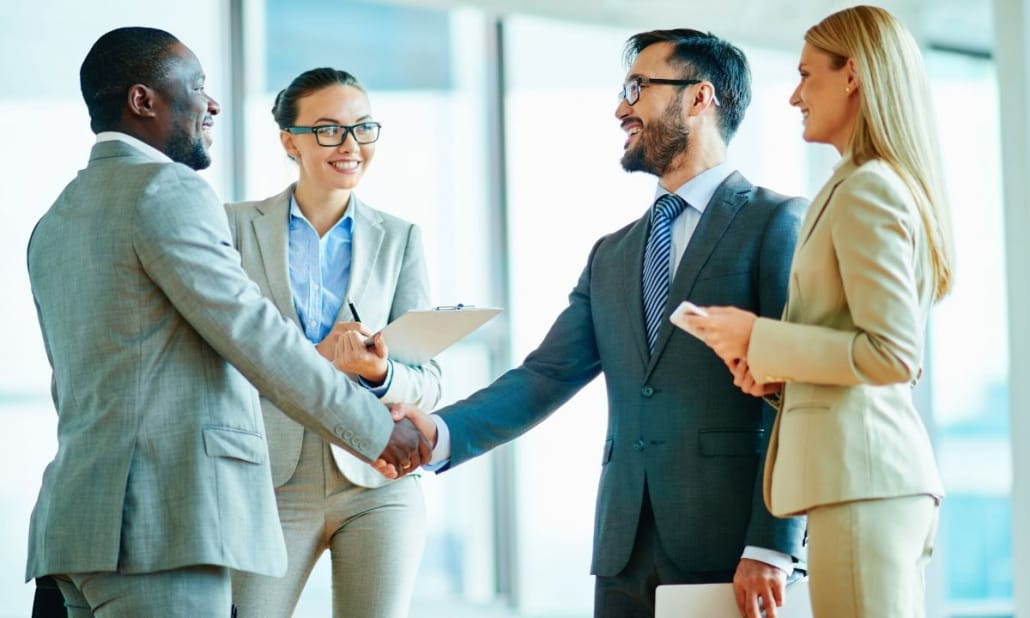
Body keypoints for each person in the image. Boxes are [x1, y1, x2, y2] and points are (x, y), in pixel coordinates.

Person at [387, 28, 807, 618]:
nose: (621, 107)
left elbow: (797, 392)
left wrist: (774, 543)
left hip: (734, 547)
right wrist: (439, 431)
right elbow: (545, 375)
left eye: (638, 87)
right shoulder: (612, 253)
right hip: (623, 549)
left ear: (699, 97)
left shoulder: (776, 222)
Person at [25, 27, 428, 617]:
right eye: (197, 87)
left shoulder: (55, 218)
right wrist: (376, 429)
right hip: (161, 528)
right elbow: (256, 338)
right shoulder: (169, 191)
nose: (211, 103)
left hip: (75, 530)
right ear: (143, 101)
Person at [684, 6, 953, 617]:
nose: (794, 96)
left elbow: (892, 354)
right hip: (861, 487)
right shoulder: (856, 184)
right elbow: (857, 352)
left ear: (853, 75)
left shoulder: (869, 188)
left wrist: (760, 334)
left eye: (808, 75)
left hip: (866, 488)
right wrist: (775, 374)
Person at [226, 68, 441, 618]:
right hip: (267, 480)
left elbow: (431, 381)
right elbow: (215, 362)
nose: (349, 146)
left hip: (378, 479)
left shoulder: (401, 238)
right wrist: (315, 360)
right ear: (288, 141)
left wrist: (381, 375)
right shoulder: (231, 229)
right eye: (328, 129)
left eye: (362, 128)